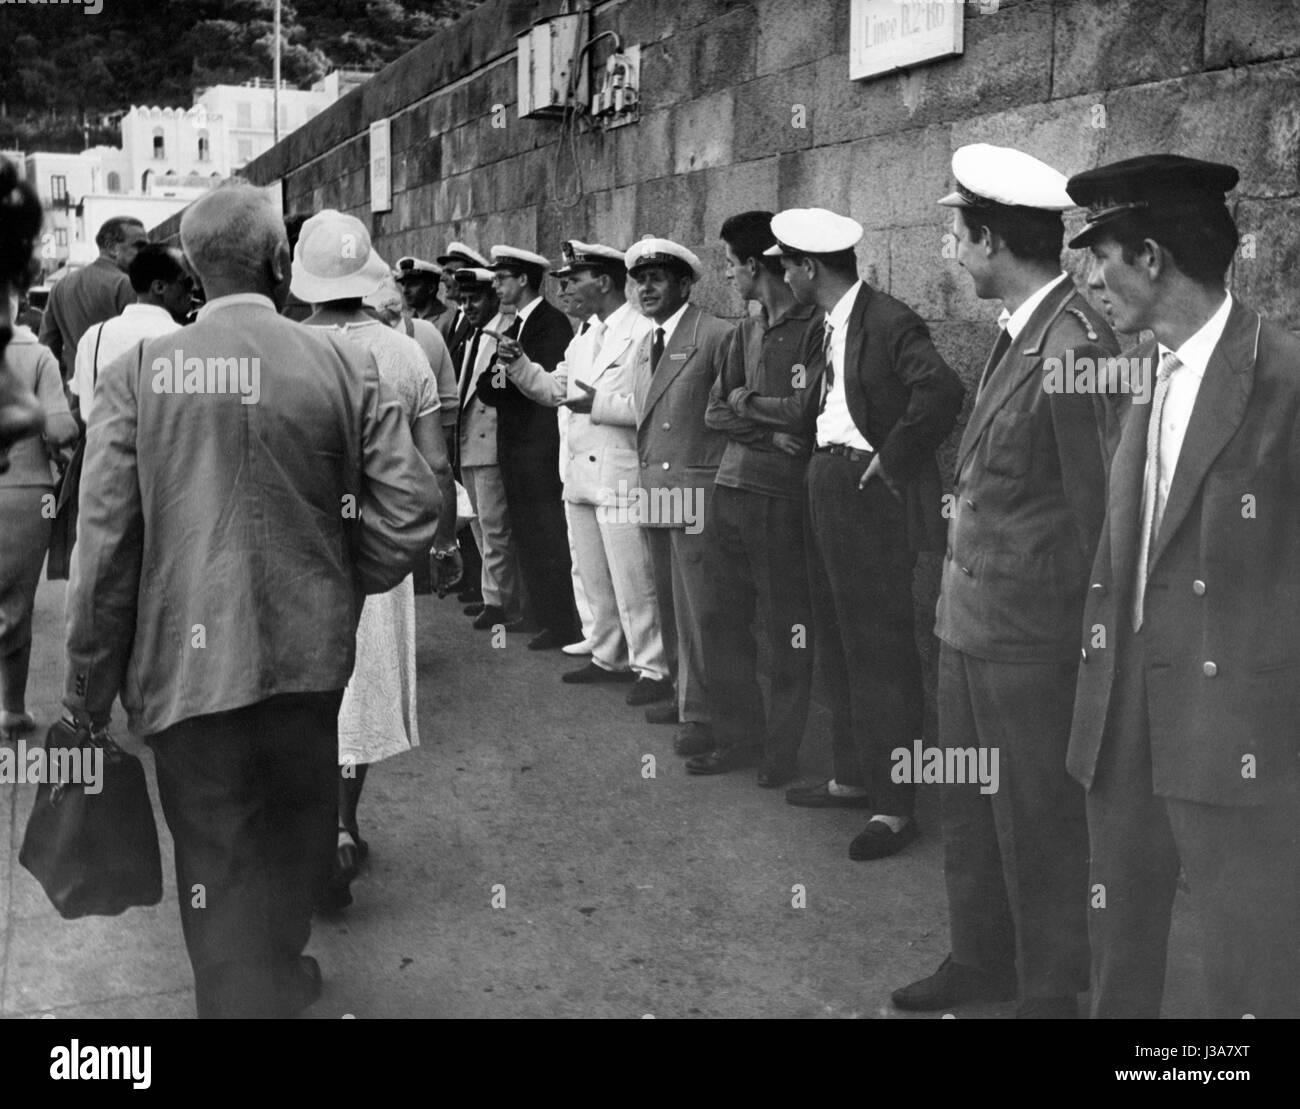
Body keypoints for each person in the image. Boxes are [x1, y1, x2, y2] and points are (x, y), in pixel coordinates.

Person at [62, 183, 441, 1019]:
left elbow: (103, 553)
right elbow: (413, 508)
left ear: (193, 269)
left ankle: (245, 994)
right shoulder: (346, 364)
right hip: (308, 659)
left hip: (184, 675)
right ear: (278, 261)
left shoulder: (138, 376)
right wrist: (338, 579)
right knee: (295, 830)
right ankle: (278, 970)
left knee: (216, 858)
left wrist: (85, 693)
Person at [1064, 155, 1300, 1019]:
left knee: (1252, 964)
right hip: (1125, 711)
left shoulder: (1284, 378)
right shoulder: (1147, 372)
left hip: (1238, 729)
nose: (1088, 278)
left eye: (1100, 254)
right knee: (1118, 948)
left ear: (1153, 258)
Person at [892, 146, 1118, 1019]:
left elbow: (1099, 518)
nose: (951, 249)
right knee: (970, 803)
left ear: (991, 239)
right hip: (971, 622)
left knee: (1037, 821)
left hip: (1031, 637)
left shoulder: (1071, 345)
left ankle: (1049, 986)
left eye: (957, 232)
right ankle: (979, 958)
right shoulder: (1022, 330)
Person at [747, 208, 964, 860]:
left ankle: (896, 807)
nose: (781, 273)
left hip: (867, 494)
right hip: (825, 483)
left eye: (785, 263)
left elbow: (942, 390)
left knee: (881, 649)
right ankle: (851, 775)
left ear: (809, 267)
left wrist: (890, 459)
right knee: (835, 635)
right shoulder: (830, 325)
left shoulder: (889, 319)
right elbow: (829, 399)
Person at [296, 210, 460, 911]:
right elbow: (435, 465)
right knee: (357, 694)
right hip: (375, 551)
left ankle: (305, 828)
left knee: (298, 695)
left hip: (292, 550)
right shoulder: (404, 351)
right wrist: (444, 541)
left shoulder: (278, 348)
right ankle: (342, 819)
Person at [496, 240, 670, 704]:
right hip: (579, 472)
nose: (566, 288)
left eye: (574, 279)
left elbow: (653, 405)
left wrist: (601, 405)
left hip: (619, 472)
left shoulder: (640, 333)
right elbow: (555, 389)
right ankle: (608, 654)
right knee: (593, 573)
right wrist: (518, 365)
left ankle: (652, 667)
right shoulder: (584, 336)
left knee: (634, 578)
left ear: (605, 282)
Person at [587, 238, 732, 756]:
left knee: (701, 608)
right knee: (669, 600)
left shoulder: (715, 334)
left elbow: (731, 413)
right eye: (638, 279)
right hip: (658, 488)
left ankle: (708, 715)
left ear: (685, 284)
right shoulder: (653, 339)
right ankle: (682, 693)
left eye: (657, 279)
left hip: (695, 488)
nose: (645, 289)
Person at [689, 211, 818, 785]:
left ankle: (782, 752)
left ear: (754, 265)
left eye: (729, 264)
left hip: (781, 499)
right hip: (730, 490)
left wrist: (746, 403)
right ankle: (737, 737)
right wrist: (763, 425)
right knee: (720, 618)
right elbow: (715, 410)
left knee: (788, 626)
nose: (726, 276)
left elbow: (804, 413)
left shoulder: (815, 328)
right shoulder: (745, 329)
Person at [476, 245, 581, 651]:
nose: (496, 286)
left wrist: (508, 377)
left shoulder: (549, 324)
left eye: (502, 278)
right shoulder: (514, 324)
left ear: (523, 279)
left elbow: (544, 389)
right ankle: (537, 613)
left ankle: (559, 623)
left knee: (546, 535)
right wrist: (508, 377)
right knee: (524, 533)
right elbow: (490, 387)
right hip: (516, 447)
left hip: (538, 449)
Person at [0, 291, 78, 740]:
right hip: (25, 490)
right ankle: (11, 709)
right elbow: (60, 428)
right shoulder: (36, 355)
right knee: (14, 605)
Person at [455, 265, 522, 631]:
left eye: (475, 298)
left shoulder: (503, 332)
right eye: (463, 300)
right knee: (480, 524)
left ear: (493, 297)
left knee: (495, 526)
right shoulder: (474, 335)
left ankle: (500, 602)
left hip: (490, 442)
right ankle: (490, 594)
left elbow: (496, 388)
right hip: (469, 442)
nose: (467, 306)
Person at [70, 244, 192, 425]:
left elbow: (79, 404)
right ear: (159, 287)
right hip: (161, 449)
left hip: (100, 448)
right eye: (187, 283)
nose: (194, 290)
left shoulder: (93, 336)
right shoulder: (185, 338)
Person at [39, 216, 145, 379]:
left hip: (76, 394)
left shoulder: (60, 286)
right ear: (112, 247)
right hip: (116, 393)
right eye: (139, 246)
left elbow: (47, 348)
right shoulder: (126, 284)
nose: (144, 253)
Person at [395, 255, 456, 334]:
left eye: (412, 284)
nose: (405, 290)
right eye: (403, 284)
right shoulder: (407, 321)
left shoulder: (450, 321)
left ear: (431, 288)